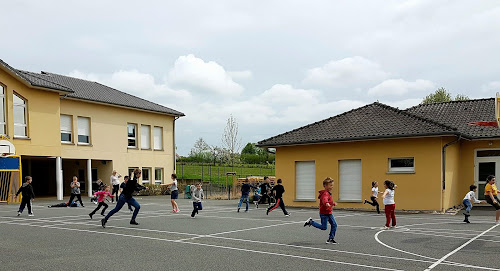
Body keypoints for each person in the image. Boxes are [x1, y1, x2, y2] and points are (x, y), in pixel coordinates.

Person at [304, 177, 338, 244]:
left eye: (332, 185)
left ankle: (331, 238)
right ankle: (311, 222)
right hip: (324, 213)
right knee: (324, 227)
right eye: (330, 185)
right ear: (325, 186)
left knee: (334, 224)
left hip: (329, 212)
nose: (332, 187)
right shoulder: (325, 193)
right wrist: (326, 203)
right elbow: (324, 199)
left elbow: (329, 201)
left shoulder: (328, 193)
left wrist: (333, 203)